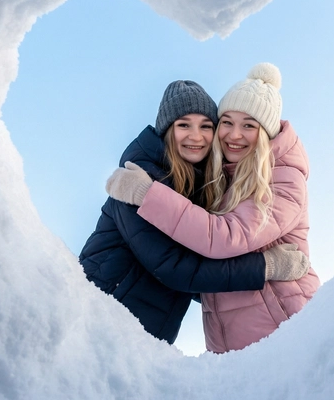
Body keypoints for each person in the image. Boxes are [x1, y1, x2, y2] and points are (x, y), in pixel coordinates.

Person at [107, 63, 321, 353]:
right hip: (117, 317)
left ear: (266, 132)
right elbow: (187, 269)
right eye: (227, 122)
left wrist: (147, 194)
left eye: (248, 125)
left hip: (281, 327)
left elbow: (221, 239)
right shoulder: (206, 182)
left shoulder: (283, 178)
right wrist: (263, 267)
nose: (234, 134)